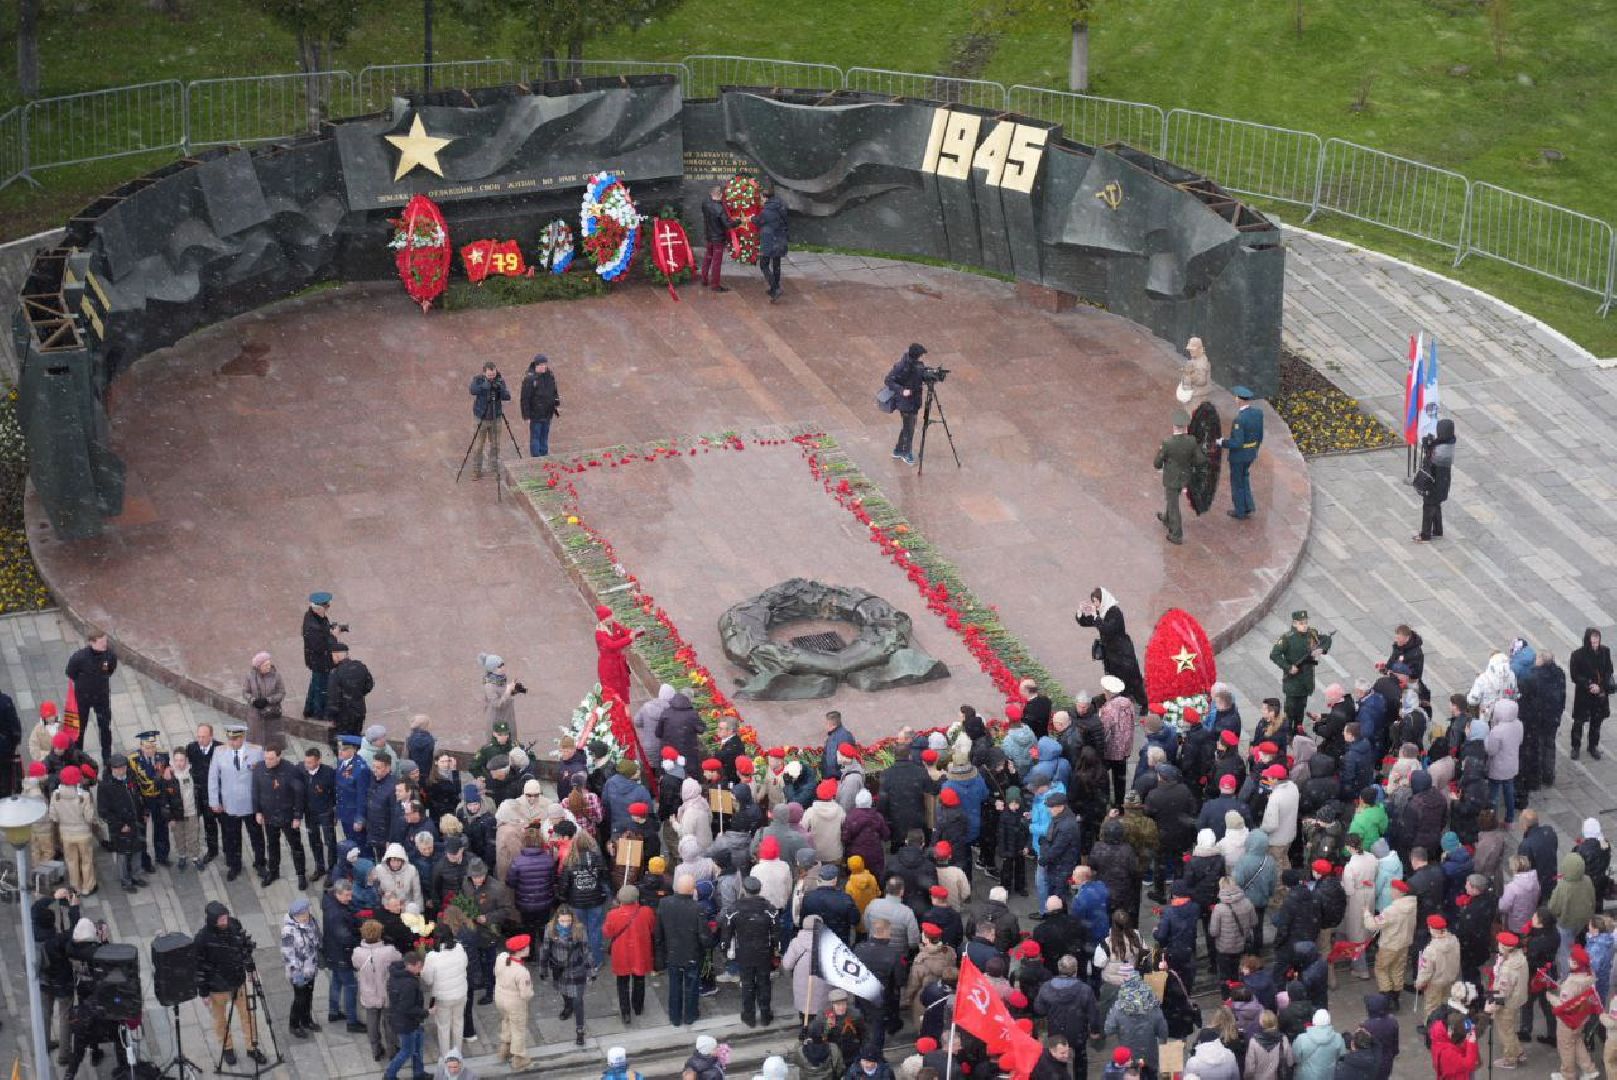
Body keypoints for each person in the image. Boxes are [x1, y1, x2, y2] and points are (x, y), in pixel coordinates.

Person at [195, 901, 269, 1066]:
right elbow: (199, 966)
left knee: (248, 1015)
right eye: (221, 918)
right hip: (216, 988)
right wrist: (204, 992)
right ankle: (227, 1048)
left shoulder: (234, 925)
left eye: (225, 916)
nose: (225, 920)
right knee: (220, 1021)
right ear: (213, 920)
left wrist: (250, 969)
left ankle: (252, 1047)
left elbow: (244, 948)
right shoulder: (202, 939)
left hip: (237, 982)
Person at [655, 873, 712, 1026]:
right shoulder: (697, 908)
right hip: (692, 954)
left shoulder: (664, 903)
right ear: (693, 890)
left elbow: (658, 932)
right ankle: (690, 1015)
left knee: (674, 985)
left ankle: (675, 1016)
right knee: (692, 987)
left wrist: (660, 952)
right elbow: (705, 937)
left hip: (673, 953)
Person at [1077, 588, 1147, 709]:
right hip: (1110, 653)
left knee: (1133, 679)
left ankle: (1144, 703)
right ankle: (1122, 699)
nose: (1094, 605)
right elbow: (1085, 622)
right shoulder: (1101, 612)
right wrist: (1080, 611)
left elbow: (1107, 629)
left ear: (1102, 600)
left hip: (1123, 653)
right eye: (1093, 601)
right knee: (1114, 678)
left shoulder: (1115, 612)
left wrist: (1095, 617)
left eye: (1096, 601)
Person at [1152, 408, 1207, 546]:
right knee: (1172, 498)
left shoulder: (1167, 443)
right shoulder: (1192, 441)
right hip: (1185, 476)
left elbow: (1157, 464)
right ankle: (1166, 518)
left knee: (1173, 503)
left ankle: (1176, 534)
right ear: (1186, 426)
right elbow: (1200, 460)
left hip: (1171, 478)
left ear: (1174, 426)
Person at [1270, 610, 1333, 730]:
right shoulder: (1287, 638)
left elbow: (1326, 639)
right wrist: (1288, 667)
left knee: (1301, 707)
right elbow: (1274, 654)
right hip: (1293, 680)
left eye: (1305, 622)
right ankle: (1287, 731)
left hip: (1307, 678)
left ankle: (1298, 728)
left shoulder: (1312, 633)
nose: (1305, 625)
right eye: (1301, 623)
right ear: (1294, 623)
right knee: (1290, 708)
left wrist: (1322, 649)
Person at [64, 627, 117, 766]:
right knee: (80, 728)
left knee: (105, 727)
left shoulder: (109, 656)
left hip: (101, 698)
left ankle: (107, 756)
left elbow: (110, 670)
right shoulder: (79, 657)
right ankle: (77, 754)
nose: (105, 644)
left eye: (105, 641)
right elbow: (70, 673)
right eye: (102, 642)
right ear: (92, 642)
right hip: (83, 699)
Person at [98, 756, 145, 891]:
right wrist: (119, 825)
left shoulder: (131, 777)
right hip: (120, 826)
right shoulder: (105, 786)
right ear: (112, 769)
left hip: (135, 821)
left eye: (123, 768)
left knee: (137, 850)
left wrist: (144, 811)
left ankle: (136, 876)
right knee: (123, 855)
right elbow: (104, 812)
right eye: (117, 769)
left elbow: (138, 795)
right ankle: (125, 881)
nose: (121, 771)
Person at [49, 765, 97, 894]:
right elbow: (89, 817)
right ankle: (88, 887)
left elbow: (53, 816)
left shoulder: (56, 795)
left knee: (71, 861)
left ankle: (75, 886)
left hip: (66, 834)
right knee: (86, 860)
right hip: (83, 834)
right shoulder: (84, 796)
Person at [281, 896, 322, 1038]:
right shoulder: (289, 931)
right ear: (295, 915)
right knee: (299, 999)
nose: (306, 916)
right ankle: (294, 1024)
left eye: (306, 913)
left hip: (310, 968)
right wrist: (297, 973)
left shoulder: (311, 922)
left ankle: (306, 1020)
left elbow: (317, 939)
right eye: (302, 915)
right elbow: (288, 954)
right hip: (298, 972)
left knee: (308, 996)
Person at [384, 949, 429, 1080]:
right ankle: (390, 1075)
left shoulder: (396, 976)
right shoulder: (409, 983)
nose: (421, 969)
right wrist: (426, 1012)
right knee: (407, 1051)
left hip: (405, 1020)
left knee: (417, 1048)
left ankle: (419, 1073)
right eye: (419, 966)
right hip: (406, 1022)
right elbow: (407, 1008)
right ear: (411, 965)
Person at [1221, 384, 1264, 519]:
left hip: (1239, 457)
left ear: (1239, 399)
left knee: (1237, 483)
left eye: (1236, 397)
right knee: (1245, 479)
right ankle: (1248, 506)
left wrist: (1221, 442)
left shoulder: (1240, 420)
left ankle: (1240, 511)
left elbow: (1237, 443)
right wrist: (1254, 450)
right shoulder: (1258, 414)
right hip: (1251, 453)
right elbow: (1260, 436)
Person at [1570, 627, 1613, 761]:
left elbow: (1608, 671)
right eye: (1593, 642)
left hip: (1599, 694)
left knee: (1596, 722)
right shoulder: (1577, 655)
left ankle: (1593, 746)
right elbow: (1575, 675)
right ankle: (1575, 747)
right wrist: (1589, 684)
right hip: (1584, 694)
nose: (1595, 645)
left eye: (1597, 642)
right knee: (1579, 722)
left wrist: (1600, 687)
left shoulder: (1605, 652)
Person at [1412, 417, 1456, 543]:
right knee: (1436, 505)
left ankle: (1425, 535)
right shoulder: (1449, 442)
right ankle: (1437, 530)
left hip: (1435, 482)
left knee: (1428, 506)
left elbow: (1430, 462)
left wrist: (1428, 447)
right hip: (1443, 482)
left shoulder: (1442, 450)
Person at [884, 343, 927, 466]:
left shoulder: (916, 365)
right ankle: (906, 453)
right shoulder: (902, 366)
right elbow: (888, 380)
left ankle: (898, 450)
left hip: (914, 401)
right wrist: (902, 390)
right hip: (905, 402)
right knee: (909, 428)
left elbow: (919, 376)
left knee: (907, 427)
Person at [326, 640, 375, 746]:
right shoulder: (360, 666)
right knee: (356, 737)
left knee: (343, 742)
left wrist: (331, 716)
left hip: (343, 715)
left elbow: (333, 698)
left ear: (337, 655)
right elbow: (370, 685)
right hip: (359, 710)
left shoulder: (336, 673)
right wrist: (358, 695)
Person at [595, 606, 639, 708]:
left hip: (619, 666)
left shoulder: (613, 625)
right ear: (603, 619)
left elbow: (624, 632)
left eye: (611, 615)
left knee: (623, 691)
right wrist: (629, 638)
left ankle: (625, 714)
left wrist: (635, 633)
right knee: (611, 693)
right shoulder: (600, 634)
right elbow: (612, 645)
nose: (611, 618)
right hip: (608, 668)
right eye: (608, 616)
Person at [518, 354, 560, 457]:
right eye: (542, 365)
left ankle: (544, 454)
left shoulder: (549, 375)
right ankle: (536, 457)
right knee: (536, 436)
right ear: (536, 365)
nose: (544, 367)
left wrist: (556, 402)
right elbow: (525, 399)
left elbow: (553, 390)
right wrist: (526, 415)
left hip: (547, 412)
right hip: (535, 414)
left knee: (545, 435)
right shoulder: (530, 379)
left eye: (545, 364)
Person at [242, 650, 287, 746]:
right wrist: (253, 700)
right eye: (265, 665)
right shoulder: (250, 676)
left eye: (269, 664)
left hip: (272, 714)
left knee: (272, 743)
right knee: (256, 743)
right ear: (259, 666)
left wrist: (268, 700)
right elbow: (245, 692)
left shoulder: (276, 676)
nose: (268, 667)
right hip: (255, 715)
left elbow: (281, 692)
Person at [699, 185, 735, 291]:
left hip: (709, 235)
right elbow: (727, 224)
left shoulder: (705, 203)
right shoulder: (719, 208)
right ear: (720, 195)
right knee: (716, 262)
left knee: (708, 258)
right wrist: (737, 222)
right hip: (718, 238)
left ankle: (704, 279)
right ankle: (715, 285)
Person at [757, 182, 787, 301]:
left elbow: (759, 222)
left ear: (765, 197)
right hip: (780, 239)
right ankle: (775, 287)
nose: (760, 200)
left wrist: (751, 218)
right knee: (776, 264)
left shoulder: (766, 211)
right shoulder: (781, 205)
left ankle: (775, 288)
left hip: (769, 240)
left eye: (760, 197)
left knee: (764, 265)